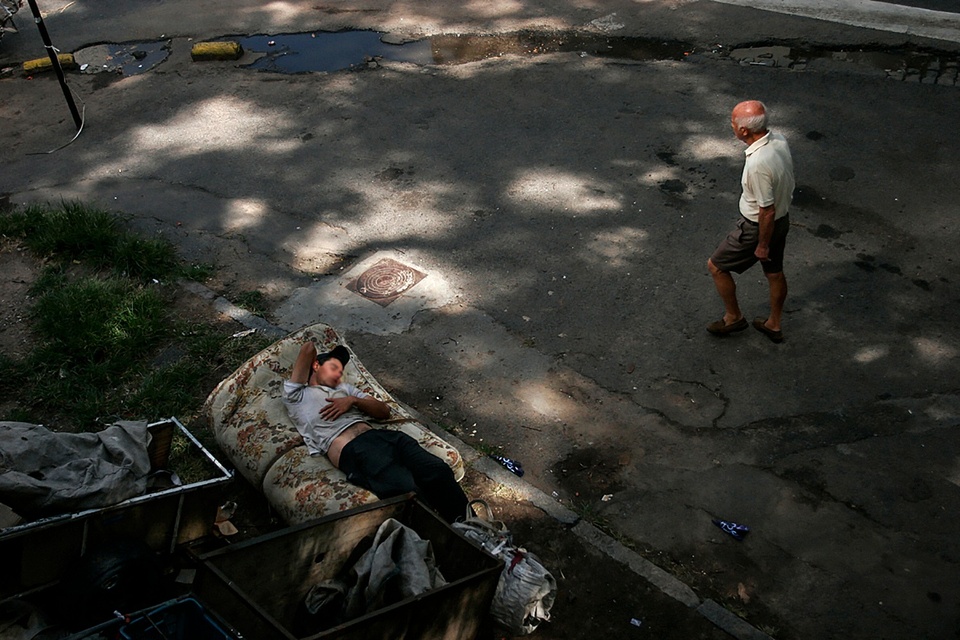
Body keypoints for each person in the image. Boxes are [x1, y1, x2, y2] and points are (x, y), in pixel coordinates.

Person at [283, 340, 468, 522]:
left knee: (438, 471)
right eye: (333, 367)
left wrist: (352, 401)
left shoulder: (345, 391)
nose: (339, 373)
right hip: (355, 449)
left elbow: (383, 411)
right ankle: (449, 539)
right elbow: (308, 348)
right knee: (409, 491)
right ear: (316, 366)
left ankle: (473, 530)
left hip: (384, 438)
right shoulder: (297, 395)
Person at [706, 100, 795, 343]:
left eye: (733, 122)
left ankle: (733, 317)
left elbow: (765, 210)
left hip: (757, 228)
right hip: (782, 221)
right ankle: (773, 324)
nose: (731, 125)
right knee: (775, 273)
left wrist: (762, 244)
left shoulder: (757, 164)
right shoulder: (779, 140)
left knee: (716, 267)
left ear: (744, 131)